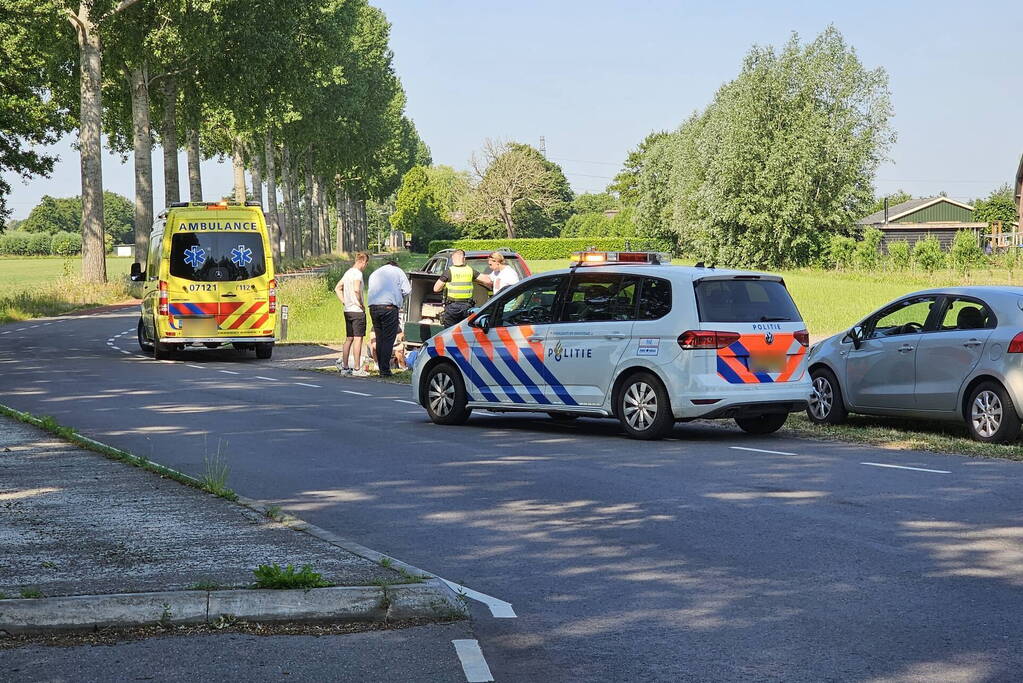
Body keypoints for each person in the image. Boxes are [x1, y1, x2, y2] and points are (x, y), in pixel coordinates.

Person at [367, 257, 411, 377]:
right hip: (389, 308)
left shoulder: (375, 273)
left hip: (373, 307)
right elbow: (407, 290)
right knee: (388, 340)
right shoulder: (398, 271)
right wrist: (400, 300)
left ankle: (381, 367)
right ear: (395, 266)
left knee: (379, 338)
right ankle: (385, 370)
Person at [334, 252, 369, 376]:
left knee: (349, 338)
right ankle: (357, 368)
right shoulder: (357, 274)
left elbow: (337, 288)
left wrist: (344, 301)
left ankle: (344, 366)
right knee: (358, 339)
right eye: (366, 264)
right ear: (362, 261)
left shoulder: (348, 273)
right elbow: (356, 289)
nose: (365, 267)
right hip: (357, 310)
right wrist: (360, 303)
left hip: (347, 310)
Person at [433, 249, 488, 327]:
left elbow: (436, 289)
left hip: (452, 307)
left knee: (450, 331)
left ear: (453, 259)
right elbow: (488, 281)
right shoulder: (470, 271)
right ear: (464, 259)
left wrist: (445, 285)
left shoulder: (449, 272)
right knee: (465, 330)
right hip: (467, 306)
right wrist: (476, 280)